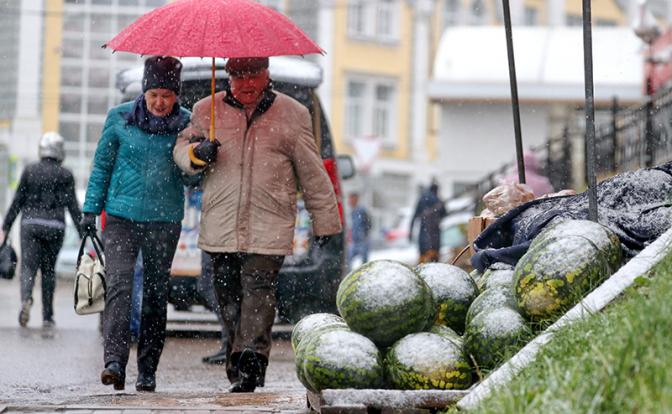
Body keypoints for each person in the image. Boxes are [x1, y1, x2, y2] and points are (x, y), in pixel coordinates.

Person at [173, 57, 342, 393]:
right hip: (221, 223)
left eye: (254, 76)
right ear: (228, 78)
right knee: (227, 295)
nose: (247, 84)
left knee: (258, 289)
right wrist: (197, 153)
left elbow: (312, 172)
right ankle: (239, 353)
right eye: (239, 78)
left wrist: (326, 224)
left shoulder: (293, 113)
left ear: (267, 76)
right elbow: (180, 150)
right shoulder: (207, 109)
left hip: (270, 221)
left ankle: (251, 360)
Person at [80, 56, 190, 393]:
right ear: (144, 91)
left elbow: (193, 178)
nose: (159, 102)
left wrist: (203, 156)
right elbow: (101, 167)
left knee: (156, 294)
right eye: (154, 94)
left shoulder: (188, 124)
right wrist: (89, 210)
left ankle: (147, 370)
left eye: (167, 95)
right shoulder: (119, 118)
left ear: (176, 95)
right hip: (121, 217)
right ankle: (114, 362)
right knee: (119, 287)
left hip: (164, 218)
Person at [0, 132, 82, 328]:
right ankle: (47, 316)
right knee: (48, 271)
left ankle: (26, 299)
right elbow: (73, 206)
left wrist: (5, 228)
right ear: (60, 151)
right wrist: (82, 232)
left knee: (28, 267)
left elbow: (17, 202)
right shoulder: (65, 174)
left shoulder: (30, 170)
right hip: (55, 227)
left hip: (30, 225)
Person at [409, 180, 447, 263]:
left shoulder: (422, 199)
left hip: (424, 235)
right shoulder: (438, 200)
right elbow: (445, 214)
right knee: (435, 262)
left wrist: (410, 232)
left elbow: (414, 216)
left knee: (422, 260)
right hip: (435, 236)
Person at [347, 192, 372, 269]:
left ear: (356, 199)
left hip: (362, 240)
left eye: (351, 199)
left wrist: (364, 234)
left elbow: (369, 223)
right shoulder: (351, 211)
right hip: (354, 241)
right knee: (348, 260)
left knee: (364, 263)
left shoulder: (361, 211)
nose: (350, 201)